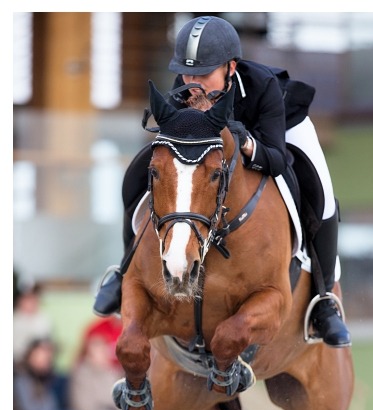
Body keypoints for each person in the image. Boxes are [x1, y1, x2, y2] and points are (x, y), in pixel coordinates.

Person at [93, 15, 350, 348]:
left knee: (321, 193)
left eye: (203, 74)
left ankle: (324, 299)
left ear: (230, 67)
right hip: (220, 146)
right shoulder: (183, 89)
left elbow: (275, 157)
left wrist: (241, 140)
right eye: (186, 72)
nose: (192, 81)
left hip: (280, 129)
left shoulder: (262, 86)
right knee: (140, 172)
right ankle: (124, 268)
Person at [69, 317, 142, 410]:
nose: (104, 353)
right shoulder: (82, 375)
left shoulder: (115, 373)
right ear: (89, 353)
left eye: (104, 349)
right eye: (99, 350)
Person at [13, 337, 90, 410]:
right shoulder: (21, 377)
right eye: (41, 355)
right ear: (30, 355)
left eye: (48, 357)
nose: (45, 360)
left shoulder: (47, 379)